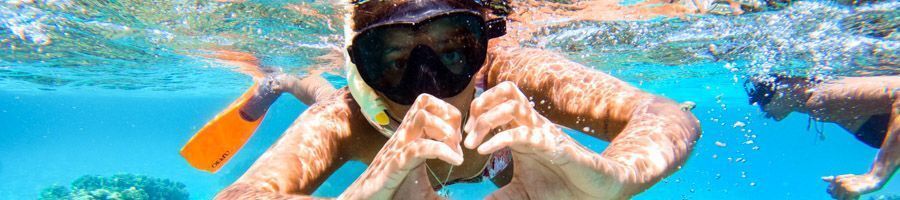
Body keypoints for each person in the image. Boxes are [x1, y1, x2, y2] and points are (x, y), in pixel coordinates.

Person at [214, 0, 701, 199]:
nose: (428, 86)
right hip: (352, 109)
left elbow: (663, 114)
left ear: (481, 46)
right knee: (318, 92)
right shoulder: (346, 118)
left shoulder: (510, 74)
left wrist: (616, 177)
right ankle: (278, 80)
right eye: (393, 59)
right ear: (362, 68)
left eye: (453, 49)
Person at [745, 74, 900, 200]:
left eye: (761, 91)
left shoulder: (821, 98)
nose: (755, 100)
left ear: (789, 79)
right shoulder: (821, 104)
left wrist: (875, 177)